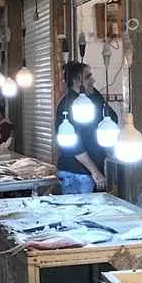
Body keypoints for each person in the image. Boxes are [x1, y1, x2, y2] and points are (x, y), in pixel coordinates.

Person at [54, 62, 109, 194]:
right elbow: (73, 144)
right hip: (77, 175)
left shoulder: (91, 100)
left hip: (86, 173)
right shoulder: (67, 105)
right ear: (76, 80)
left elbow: (111, 117)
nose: (93, 80)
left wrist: (90, 89)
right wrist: (95, 172)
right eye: (88, 77)